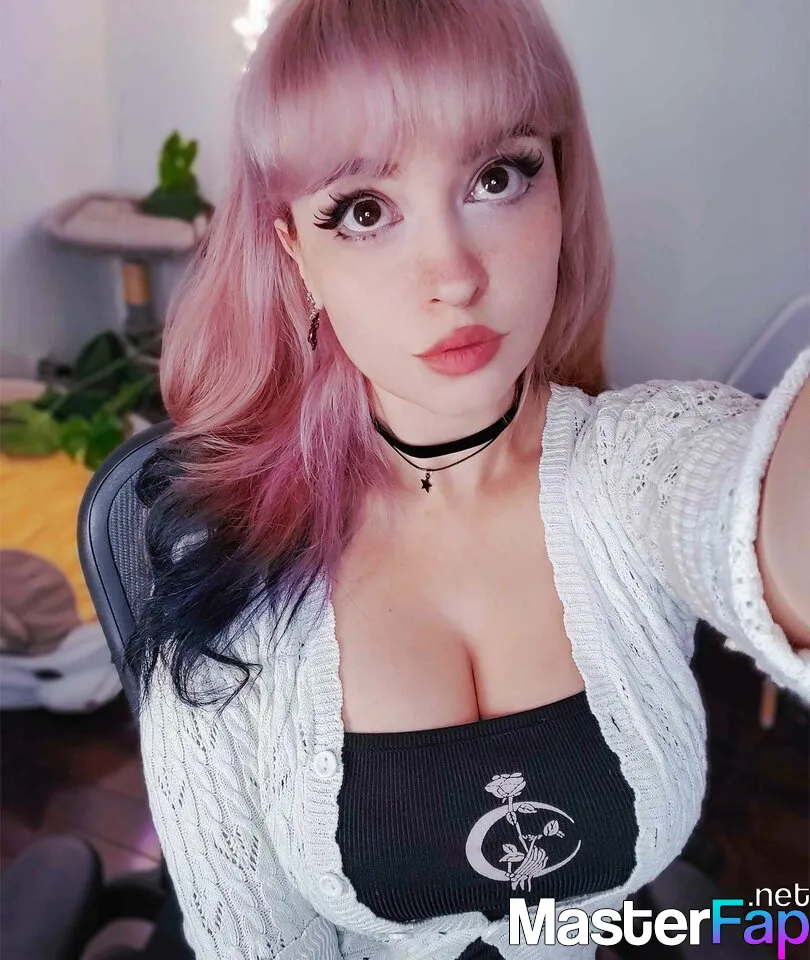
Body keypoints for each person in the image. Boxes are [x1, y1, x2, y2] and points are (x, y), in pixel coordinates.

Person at [129, 1, 810, 958]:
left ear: (560, 190)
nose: (452, 274)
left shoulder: (636, 460)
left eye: (498, 177)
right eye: (364, 211)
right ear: (298, 257)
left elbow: (760, 520)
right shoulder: (229, 566)